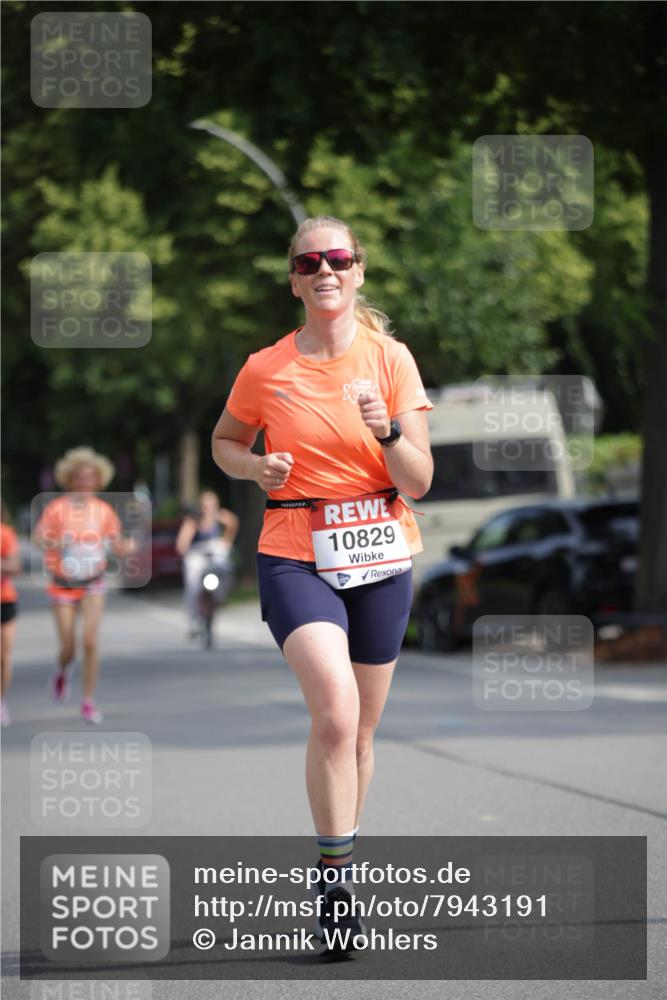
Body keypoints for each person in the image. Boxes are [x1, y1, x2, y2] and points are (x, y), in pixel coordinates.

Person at [211, 215, 433, 950]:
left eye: (337, 259)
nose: (324, 271)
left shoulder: (391, 360)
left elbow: (420, 481)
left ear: (358, 270)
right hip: (294, 550)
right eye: (309, 263)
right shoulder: (265, 367)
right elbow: (225, 441)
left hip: (381, 553)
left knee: (361, 733)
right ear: (294, 281)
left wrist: (386, 430)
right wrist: (254, 467)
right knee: (336, 714)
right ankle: (334, 888)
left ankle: (341, 862)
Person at [32, 447, 134, 724]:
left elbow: (117, 543)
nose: (85, 482)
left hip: (93, 582)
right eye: (79, 477)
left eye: (90, 477)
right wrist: (56, 542)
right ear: (69, 479)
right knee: (69, 646)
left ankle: (88, 701)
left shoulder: (104, 511)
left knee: (90, 641)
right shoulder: (57, 508)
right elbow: (38, 539)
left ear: (98, 480)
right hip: (62, 583)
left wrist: (128, 548)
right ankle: (62, 670)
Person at [175, 491, 239, 637]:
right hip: (197, 554)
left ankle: (220, 598)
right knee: (192, 586)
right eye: (204, 506)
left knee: (227, 569)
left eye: (210, 505)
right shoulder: (193, 520)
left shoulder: (221, 517)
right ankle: (193, 621)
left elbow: (233, 522)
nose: (207, 509)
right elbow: (183, 540)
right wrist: (183, 548)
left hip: (215, 553)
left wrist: (227, 542)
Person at [1, 503, 21, 727]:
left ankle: (1, 700)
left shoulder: (5, 533)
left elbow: (15, 566)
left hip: (4, 600)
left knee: (4, 656)